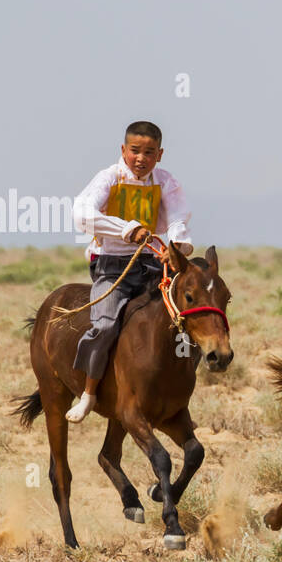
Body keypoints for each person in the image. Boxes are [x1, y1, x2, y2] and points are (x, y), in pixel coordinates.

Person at [65, 121, 193, 422]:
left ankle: (177, 401)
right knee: (106, 326)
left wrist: (176, 248)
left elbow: (178, 220)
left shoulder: (167, 182)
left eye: (149, 152)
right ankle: (90, 393)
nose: (141, 158)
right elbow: (81, 214)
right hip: (112, 266)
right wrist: (126, 230)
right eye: (135, 150)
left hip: (153, 265)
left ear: (159, 154)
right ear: (123, 150)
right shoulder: (108, 178)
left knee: (187, 321)